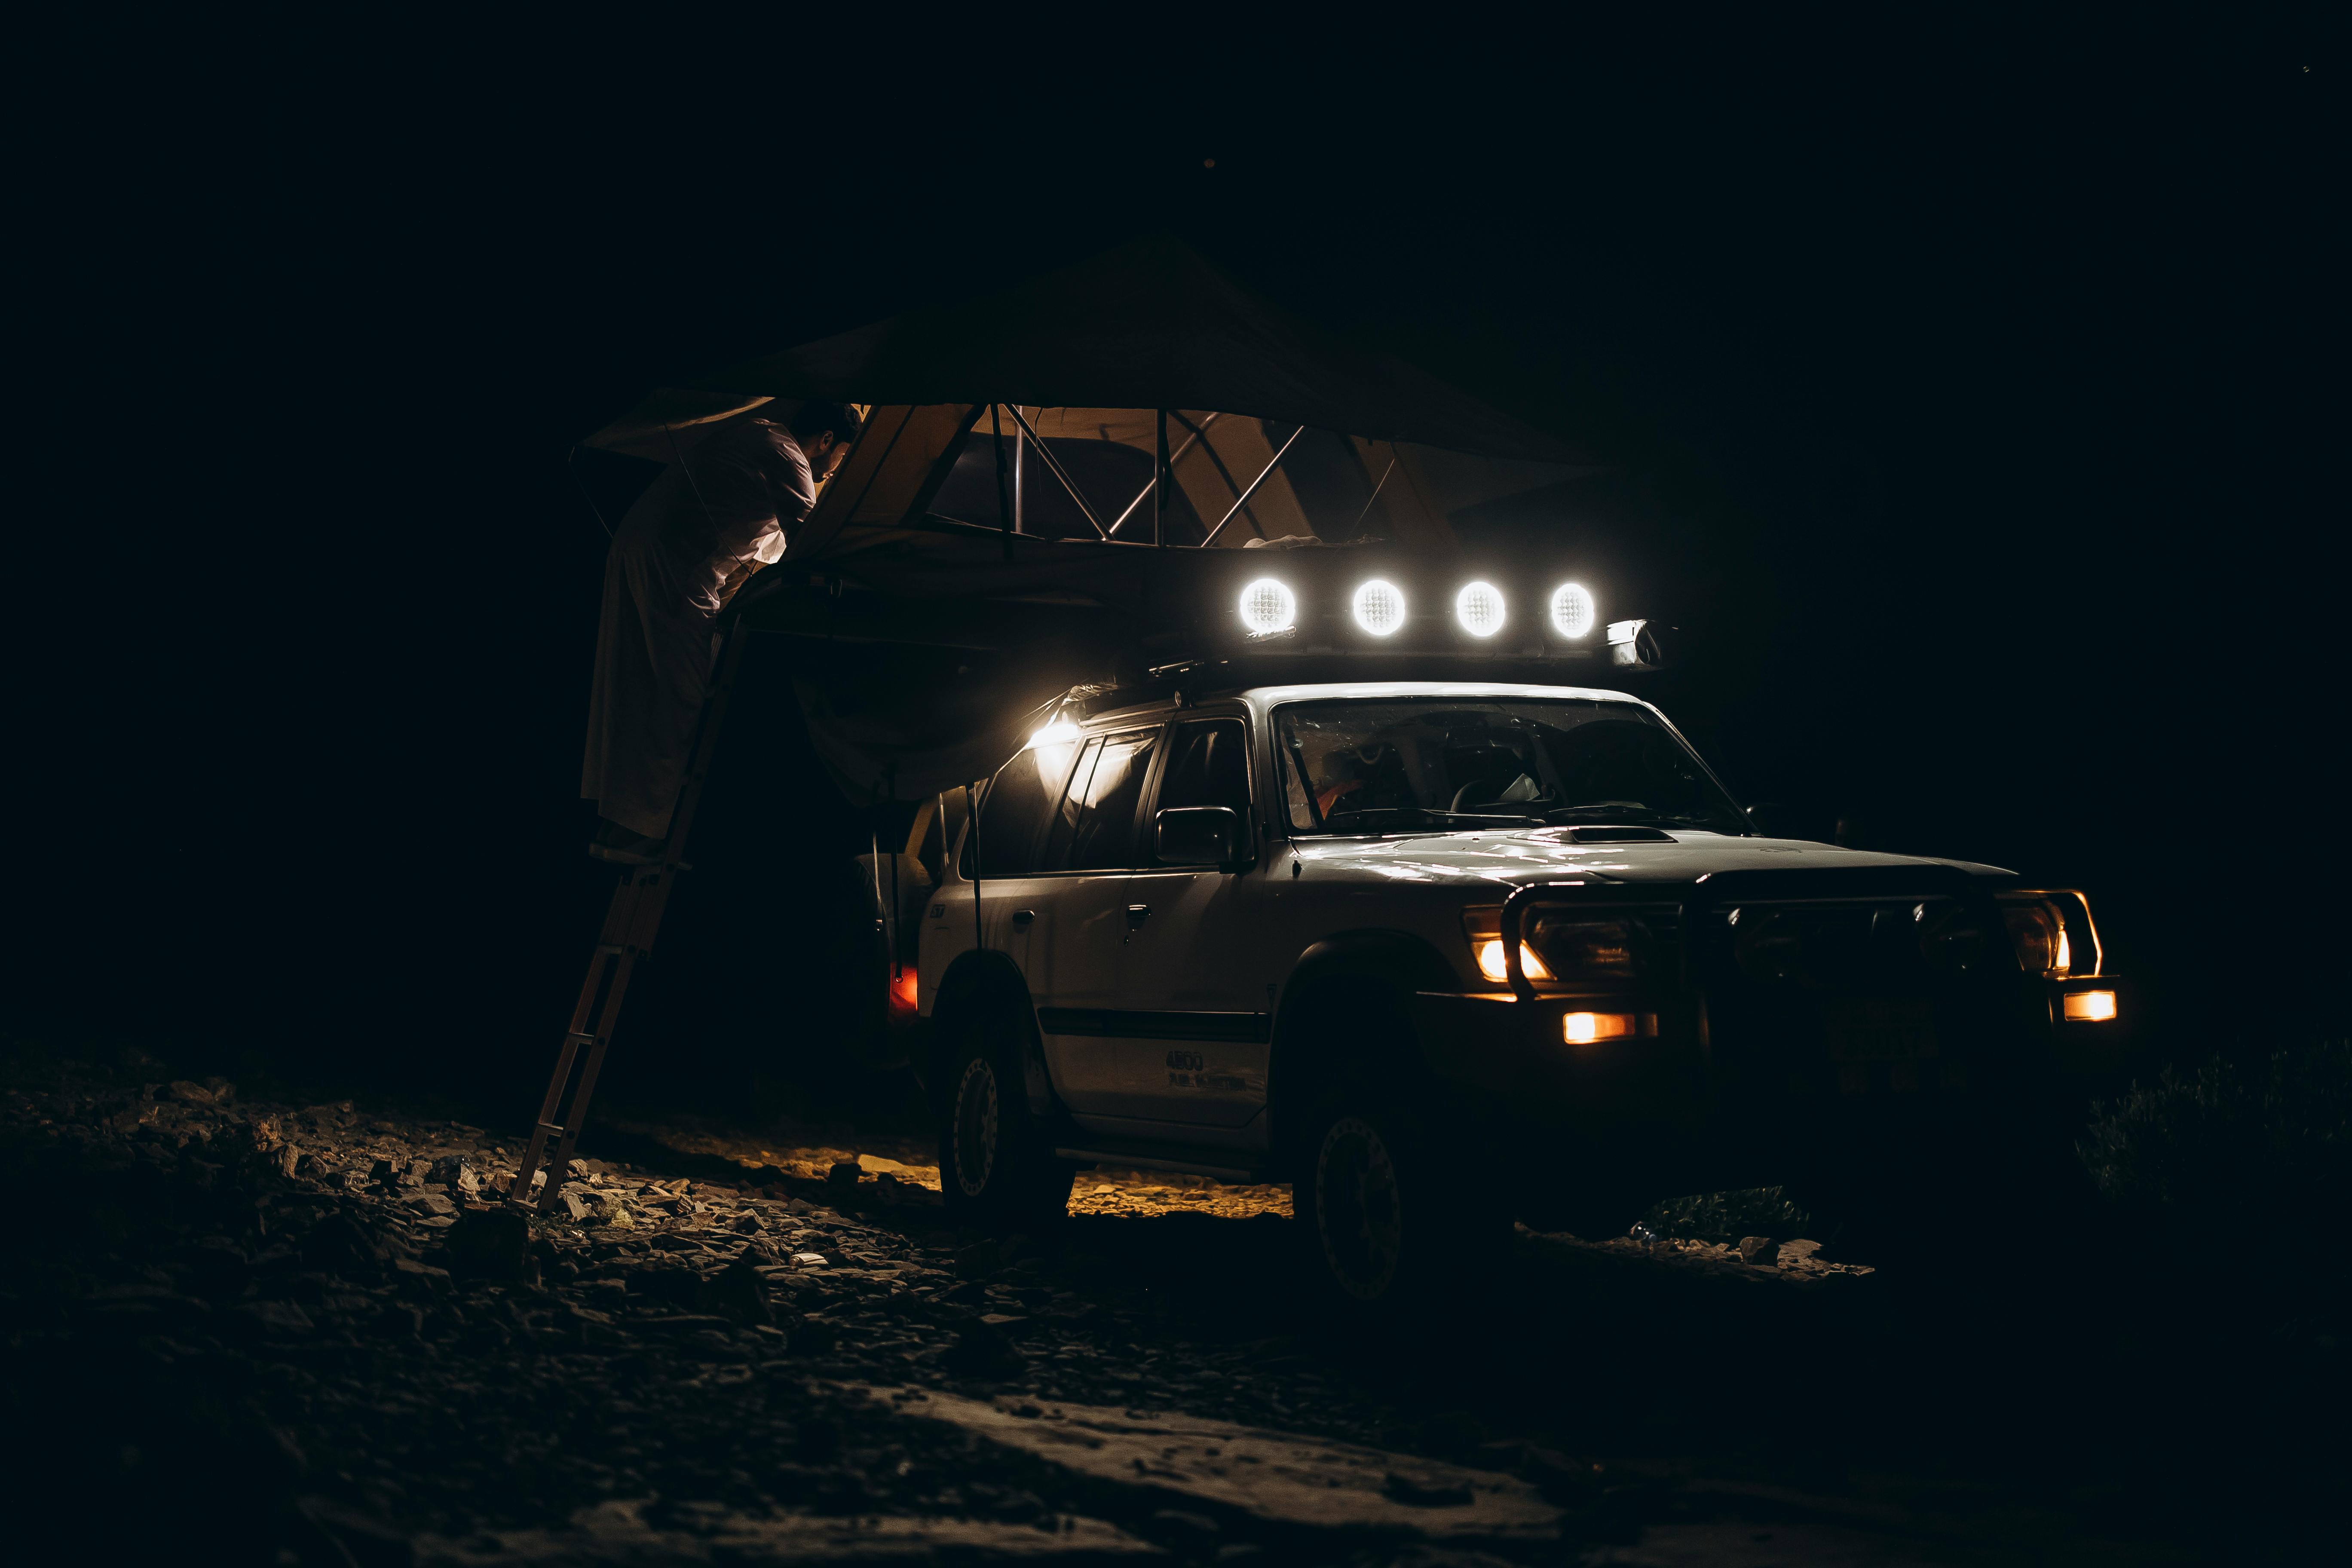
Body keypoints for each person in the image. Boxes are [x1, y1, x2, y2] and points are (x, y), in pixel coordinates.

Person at [581, 401, 864, 862]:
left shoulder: (756, 433)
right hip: (677, 569)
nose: (837, 469)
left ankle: (614, 825)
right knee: (678, 698)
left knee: (635, 683)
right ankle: (640, 833)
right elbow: (812, 540)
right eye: (843, 456)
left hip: (644, 550)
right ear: (827, 440)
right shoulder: (788, 455)